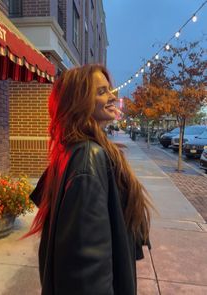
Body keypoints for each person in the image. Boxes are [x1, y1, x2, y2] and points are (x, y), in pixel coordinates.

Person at [26, 64, 153, 295]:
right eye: (101, 91)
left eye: (109, 90)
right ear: (79, 102)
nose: (111, 97)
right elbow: (87, 268)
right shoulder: (88, 157)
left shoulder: (77, 149)